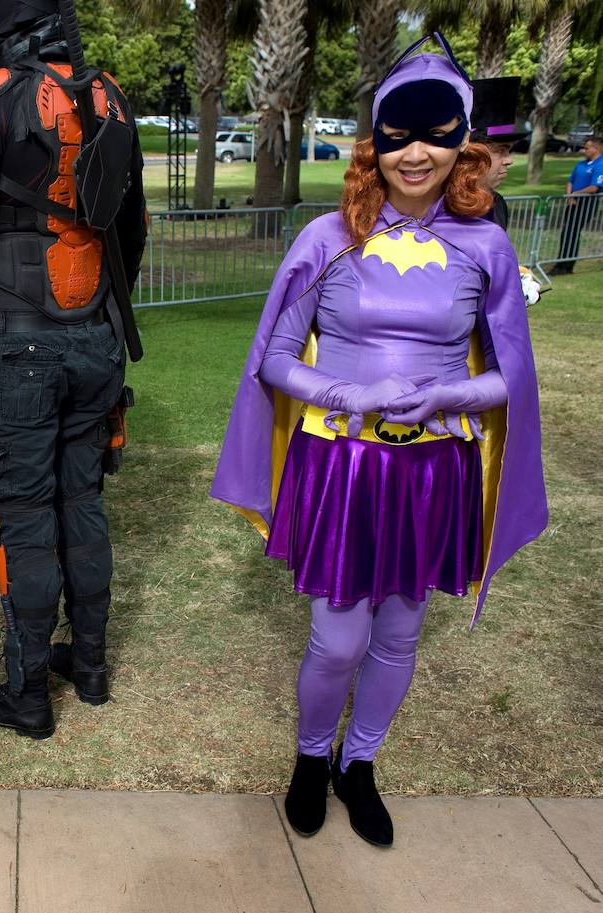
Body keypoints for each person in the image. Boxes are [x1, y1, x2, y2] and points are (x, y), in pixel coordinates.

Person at [211, 34, 546, 848]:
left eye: (436, 133)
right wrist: (347, 392)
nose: (417, 153)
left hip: (435, 470)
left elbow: (513, 377)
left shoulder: (488, 248)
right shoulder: (327, 237)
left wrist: (450, 393)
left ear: (463, 141)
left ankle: (360, 763)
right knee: (338, 637)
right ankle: (310, 755)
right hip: (345, 467)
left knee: (400, 631)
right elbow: (275, 359)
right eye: (398, 134)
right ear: (375, 143)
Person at [0, 0, 146, 739]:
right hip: (93, 340)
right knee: (81, 504)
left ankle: (27, 694)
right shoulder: (110, 95)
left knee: (22, 518)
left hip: (16, 347)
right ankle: (94, 666)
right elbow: (131, 228)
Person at [468, 77, 527, 229]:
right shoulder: (434, 209)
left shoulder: (498, 205)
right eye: (501, 150)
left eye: (509, 150)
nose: (509, 160)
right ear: (471, 153)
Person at [548, 134, 603, 275]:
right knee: (566, 232)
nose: (584, 150)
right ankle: (561, 263)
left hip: (586, 204)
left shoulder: (600, 164)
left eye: (587, 148)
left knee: (572, 232)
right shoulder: (581, 164)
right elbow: (570, 180)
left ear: (596, 148)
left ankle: (566, 265)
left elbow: (594, 187)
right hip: (573, 202)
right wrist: (569, 195)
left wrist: (575, 194)